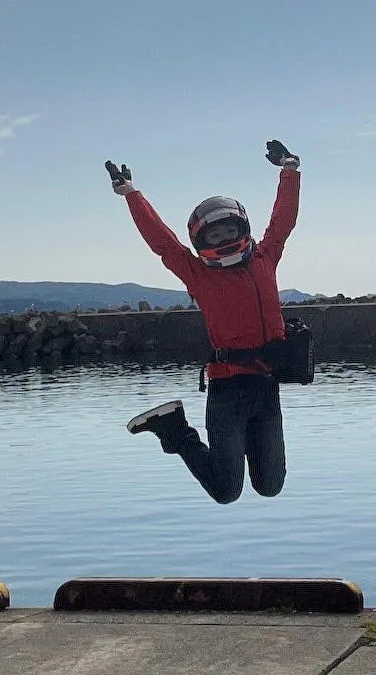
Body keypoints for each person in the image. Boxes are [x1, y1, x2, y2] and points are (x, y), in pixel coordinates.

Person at [108, 140, 301, 504]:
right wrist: (131, 193)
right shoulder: (198, 274)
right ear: (200, 240)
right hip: (227, 390)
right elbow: (163, 243)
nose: (224, 240)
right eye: (215, 235)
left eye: (229, 231)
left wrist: (289, 170)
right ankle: (175, 429)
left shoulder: (265, 257)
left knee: (270, 485)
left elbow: (283, 221)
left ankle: (179, 430)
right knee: (226, 491)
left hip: (266, 385)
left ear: (242, 228)